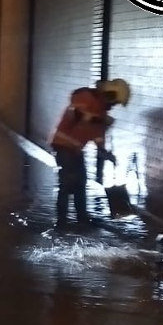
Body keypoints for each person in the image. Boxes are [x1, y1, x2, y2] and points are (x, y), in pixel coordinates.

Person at [49, 78, 130, 226]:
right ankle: (61, 222)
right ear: (110, 94)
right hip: (63, 146)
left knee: (80, 183)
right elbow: (76, 114)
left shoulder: (101, 111)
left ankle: (82, 218)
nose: (113, 106)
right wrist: (100, 120)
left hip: (75, 149)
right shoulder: (86, 97)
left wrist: (106, 153)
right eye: (115, 102)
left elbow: (97, 137)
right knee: (68, 183)